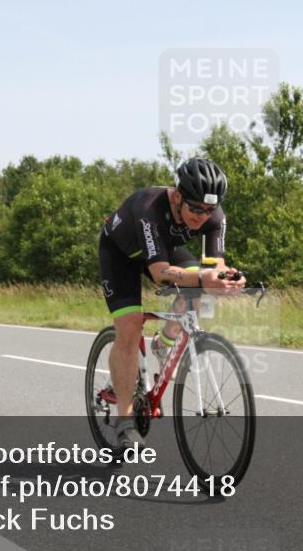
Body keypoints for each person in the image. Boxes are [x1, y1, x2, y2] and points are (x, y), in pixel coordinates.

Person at [98, 158, 245, 450]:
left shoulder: (214, 216)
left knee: (198, 288)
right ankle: (125, 421)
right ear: (177, 197)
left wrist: (226, 278)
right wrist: (203, 276)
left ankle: (164, 343)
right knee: (130, 326)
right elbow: (159, 272)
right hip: (120, 255)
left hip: (163, 251)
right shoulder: (149, 208)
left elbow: (215, 264)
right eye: (196, 209)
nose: (203, 217)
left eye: (209, 210)